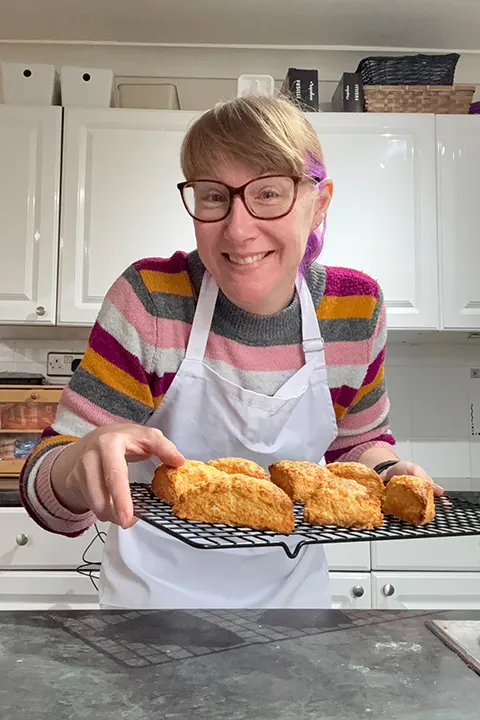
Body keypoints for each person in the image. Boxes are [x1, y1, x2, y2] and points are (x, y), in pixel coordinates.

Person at [19, 94, 442, 610]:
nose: (239, 230)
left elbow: (357, 444)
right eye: (214, 196)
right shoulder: (153, 299)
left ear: (320, 203)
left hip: (296, 612)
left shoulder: (352, 309)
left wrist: (390, 473)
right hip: (149, 619)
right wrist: (78, 462)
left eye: (268, 194)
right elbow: (46, 489)